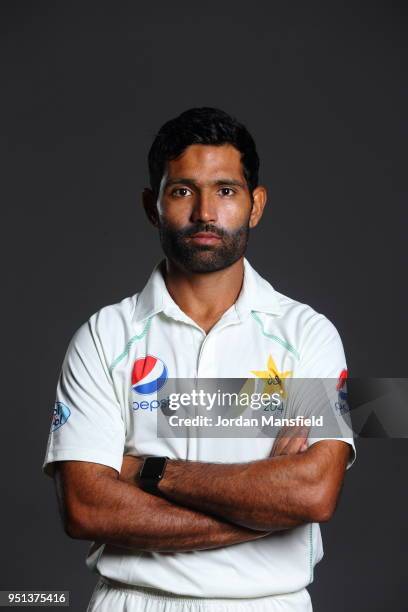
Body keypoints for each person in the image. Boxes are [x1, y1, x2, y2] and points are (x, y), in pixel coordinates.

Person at [42, 107, 356, 612]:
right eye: (183, 190)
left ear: (255, 205)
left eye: (226, 191)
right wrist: (262, 512)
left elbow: (314, 494)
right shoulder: (103, 337)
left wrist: (147, 471)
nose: (206, 212)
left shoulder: (309, 335)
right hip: (132, 602)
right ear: (153, 205)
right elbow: (86, 508)